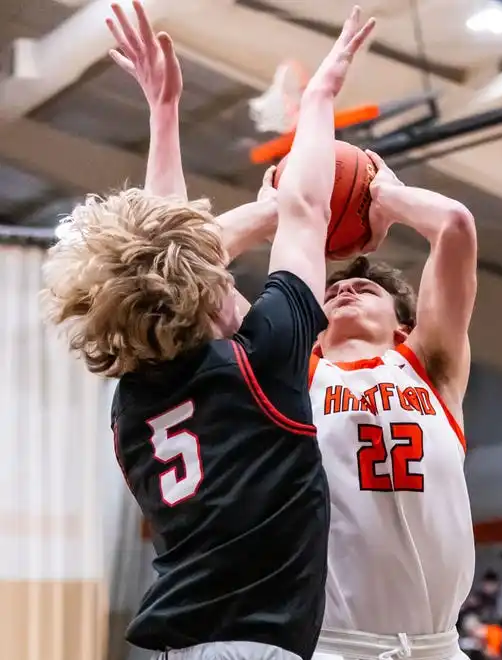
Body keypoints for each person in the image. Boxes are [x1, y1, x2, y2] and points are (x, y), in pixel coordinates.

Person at [41, 4, 376, 660]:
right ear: (206, 296)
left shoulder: (134, 402)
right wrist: (320, 95)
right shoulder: (262, 363)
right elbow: (306, 210)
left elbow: (161, 261)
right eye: (217, 272)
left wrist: (163, 115)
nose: (225, 272)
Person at [310, 156, 477, 660]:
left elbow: (454, 225)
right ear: (314, 328)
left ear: (403, 326)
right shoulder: (297, 376)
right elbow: (203, 289)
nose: (345, 291)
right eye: (333, 290)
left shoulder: (431, 366)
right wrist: (280, 211)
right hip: (333, 646)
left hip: (439, 648)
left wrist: (383, 195)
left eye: (363, 288)